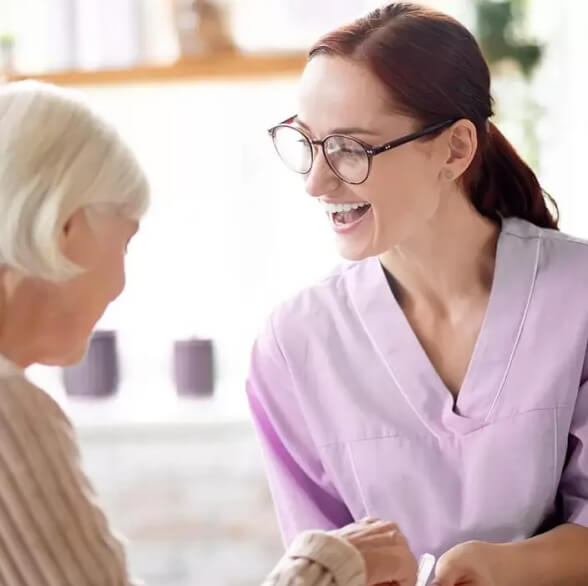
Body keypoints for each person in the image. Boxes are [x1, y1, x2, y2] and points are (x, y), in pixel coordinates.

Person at [0, 80, 412, 586]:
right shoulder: (9, 414)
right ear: (65, 226)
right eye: (125, 243)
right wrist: (326, 566)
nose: (121, 284)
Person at [246, 3, 588, 586]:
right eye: (307, 142)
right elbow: (324, 564)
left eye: (351, 149)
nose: (315, 183)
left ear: (455, 150)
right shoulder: (294, 345)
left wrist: (504, 565)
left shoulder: (577, 297)